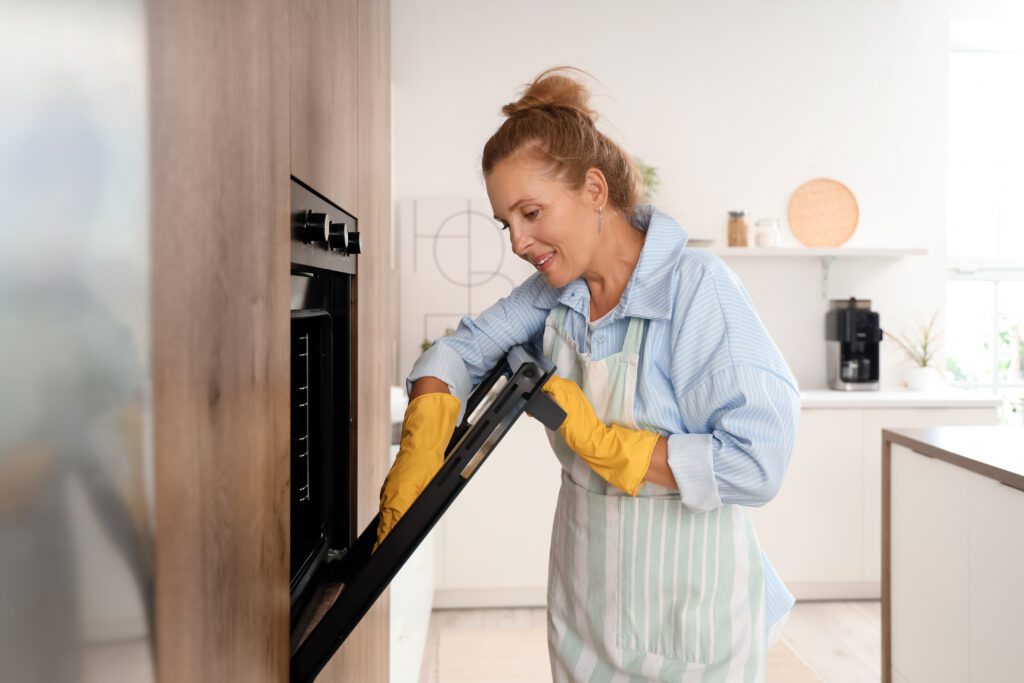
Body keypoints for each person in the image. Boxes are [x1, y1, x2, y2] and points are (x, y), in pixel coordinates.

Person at [377, 66, 800, 681]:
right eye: (507, 222)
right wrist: (422, 436)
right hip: (586, 605)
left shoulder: (696, 289)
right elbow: (461, 351)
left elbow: (759, 462)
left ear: (595, 190)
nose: (518, 241)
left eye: (531, 212)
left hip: (689, 620)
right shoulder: (557, 293)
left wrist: (610, 448)